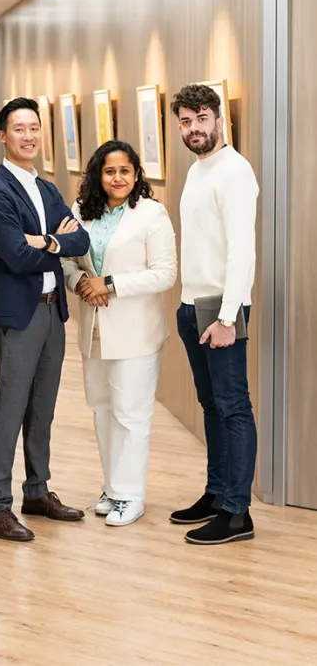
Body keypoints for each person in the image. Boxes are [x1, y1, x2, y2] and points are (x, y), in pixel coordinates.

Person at [0, 97, 91, 542]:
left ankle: (37, 491)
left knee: (42, 407)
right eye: (18, 129)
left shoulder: (47, 189)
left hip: (53, 313)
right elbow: (17, 257)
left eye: (34, 128)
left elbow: (78, 238)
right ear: (3, 135)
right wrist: (51, 244)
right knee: (9, 407)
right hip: (19, 315)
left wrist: (43, 240)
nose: (28, 136)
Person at [62, 140, 177, 527]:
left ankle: (131, 495)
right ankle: (112, 488)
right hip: (93, 329)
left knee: (131, 414)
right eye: (109, 171)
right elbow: (66, 259)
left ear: (136, 174)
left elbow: (165, 273)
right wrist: (80, 282)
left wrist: (109, 284)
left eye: (125, 171)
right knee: (102, 410)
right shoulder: (81, 212)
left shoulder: (152, 213)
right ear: (98, 175)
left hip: (135, 331)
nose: (117, 178)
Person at [168, 83, 259, 545]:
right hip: (192, 305)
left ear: (219, 120)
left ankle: (238, 513)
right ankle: (217, 493)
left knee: (233, 408)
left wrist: (227, 318)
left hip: (220, 309)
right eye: (185, 121)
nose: (194, 128)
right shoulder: (197, 170)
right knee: (211, 406)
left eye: (201, 118)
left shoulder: (234, 171)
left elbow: (242, 252)